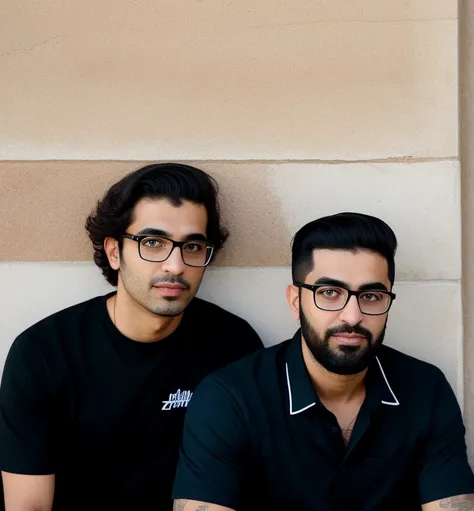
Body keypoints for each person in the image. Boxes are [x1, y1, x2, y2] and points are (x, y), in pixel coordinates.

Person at [0, 163, 263, 511]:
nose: (175, 265)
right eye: (152, 243)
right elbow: (28, 506)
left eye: (193, 247)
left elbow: (248, 479)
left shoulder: (233, 345)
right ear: (114, 251)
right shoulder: (44, 354)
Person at [172, 212, 474, 511]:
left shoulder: (425, 389)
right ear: (295, 301)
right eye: (329, 293)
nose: (353, 316)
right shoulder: (229, 398)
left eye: (371, 296)